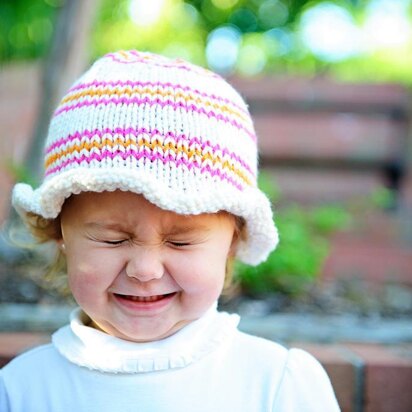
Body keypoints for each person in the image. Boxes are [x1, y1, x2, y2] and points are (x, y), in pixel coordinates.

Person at [0, 50, 340, 411]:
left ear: (232, 241)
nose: (145, 270)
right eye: (112, 239)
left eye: (180, 241)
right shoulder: (21, 390)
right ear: (59, 234)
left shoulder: (275, 384)